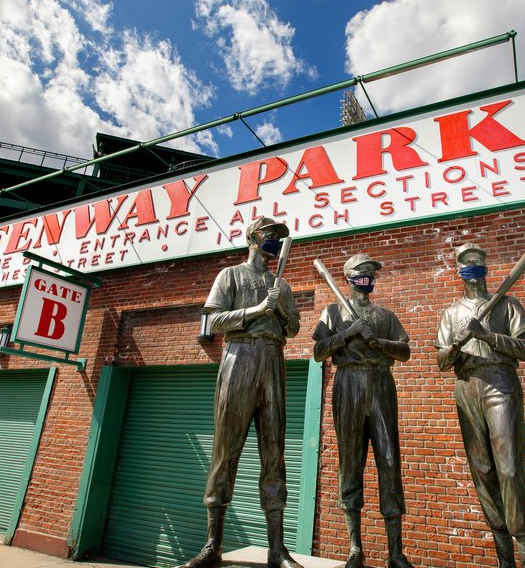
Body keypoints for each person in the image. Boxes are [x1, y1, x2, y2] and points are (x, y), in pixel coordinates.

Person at [178, 217, 303, 568]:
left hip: (272, 361)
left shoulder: (284, 285)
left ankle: (277, 551)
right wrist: (257, 310)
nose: (276, 241)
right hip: (238, 356)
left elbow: (293, 327)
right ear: (252, 237)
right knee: (226, 450)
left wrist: (278, 307)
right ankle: (212, 545)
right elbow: (214, 321)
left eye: (280, 237)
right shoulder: (230, 275)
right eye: (269, 235)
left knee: (275, 452)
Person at [435, 243, 525, 568]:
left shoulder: (508, 305)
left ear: (486, 267)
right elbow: (441, 361)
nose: (473, 268)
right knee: (482, 471)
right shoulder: (452, 313)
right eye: (467, 264)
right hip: (466, 386)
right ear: (458, 270)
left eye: (478, 263)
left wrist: (489, 336)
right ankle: (504, 558)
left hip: (500, 381)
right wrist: (457, 344)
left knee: (508, 468)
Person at [312, 254, 415, 568]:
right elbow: (318, 351)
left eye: (372, 273)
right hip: (349, 383)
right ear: (348, 277)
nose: (368, 277)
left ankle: (395, 553)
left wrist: (380, 342)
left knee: (389, 460)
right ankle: (355, 548)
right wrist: (347, 333)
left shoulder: (386, 314)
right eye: (362, 272)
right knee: (351, 461)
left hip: (381, 384)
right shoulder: (332, 312)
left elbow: (405, 351)